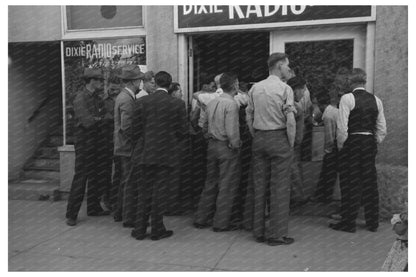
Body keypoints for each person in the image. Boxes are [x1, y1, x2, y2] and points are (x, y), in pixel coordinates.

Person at [246, 53, 296, 245]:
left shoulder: (255, 88)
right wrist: (290, 143)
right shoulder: (285, 89)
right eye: (286, 66)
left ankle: (258, 230)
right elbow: (290, 120)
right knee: (280, 188)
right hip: (279, 137)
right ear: (279, 66)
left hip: (259, 137)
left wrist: (255, 135)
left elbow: (249, 116)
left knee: (260, 185)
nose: (288, 69)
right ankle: (276, 234)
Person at [130, 71, 187, 240]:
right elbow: (183, 131)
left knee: (144, 191)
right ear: (169, 85)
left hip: (145, 152)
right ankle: (157, 228)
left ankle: (139, 229)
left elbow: (135, 130)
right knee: (160, 192)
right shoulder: (177, 104)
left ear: (155, 83)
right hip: (165, 154)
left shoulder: (141, 102)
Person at [330, 68, 387, 233]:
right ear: (364, 81)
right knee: (370, 182)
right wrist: (373, 141)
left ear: (351, 82)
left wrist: (342, 145)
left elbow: (342, 127)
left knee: (350, 182)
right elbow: (382, 128)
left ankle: (348, 222)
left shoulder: (347, 98)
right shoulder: (376, 100)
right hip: (369, 142)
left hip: (353, 142)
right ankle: (372, 222)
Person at [194, 72, 241, 232]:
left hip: (212, 145)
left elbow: (205, 126)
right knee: (226, 185)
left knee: (210, 182)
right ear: (234, 85)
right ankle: (221, 222)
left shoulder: (212, 102)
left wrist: (208, 137)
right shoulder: (231, 104)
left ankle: (201, 218)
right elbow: (232, 131)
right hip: (225, 146)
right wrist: (235, 145)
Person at [65, 68, 110, 226]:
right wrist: (99, 119)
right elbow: (88, 122)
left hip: (96, 142)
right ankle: (72, 214)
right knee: (81, 177)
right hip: (85, 143)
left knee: (96, 176)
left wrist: (99, 119)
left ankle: (93, 207)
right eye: (98, 80)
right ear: (91, 81)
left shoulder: (97, 98)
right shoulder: (80, 98)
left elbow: (105, 116)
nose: (100, 83)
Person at [113, 64, 144, 227]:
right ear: (134, 81)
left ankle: (119, 213)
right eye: (139, 80)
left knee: (124, 181)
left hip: (122, 147)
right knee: (129, 182)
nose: (140, 83)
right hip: (126, 148)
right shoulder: (126, 98)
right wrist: (136, 143)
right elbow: (126, 128)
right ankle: (127, 217)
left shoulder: (124, 96)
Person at [311, 85, 340, 204]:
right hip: (339, 145)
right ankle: (323, 196)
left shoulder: (328, 116)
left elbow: (329, 137)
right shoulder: (332, 111)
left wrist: (327, 152)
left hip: (335, 147)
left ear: (320, 105)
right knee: (329, 172)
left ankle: (323, 196)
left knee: (328, 172)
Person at [286, 76, 309, 208]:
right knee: (293, 172)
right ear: (294, 90)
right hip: (291, 145)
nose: (304, 93)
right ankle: (297, 198)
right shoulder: (296, 108)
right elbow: (297, 134)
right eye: (303, 89)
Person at [101, 76, 121, 212]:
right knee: (106, 172)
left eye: (116, 90)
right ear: (108, 86)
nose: (114, 92)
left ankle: (116, 200)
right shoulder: (102, 101)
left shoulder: (122, 98)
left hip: (119, 141)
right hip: (106, 141)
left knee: (119, 172)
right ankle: (106, 199)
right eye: (112, 89)